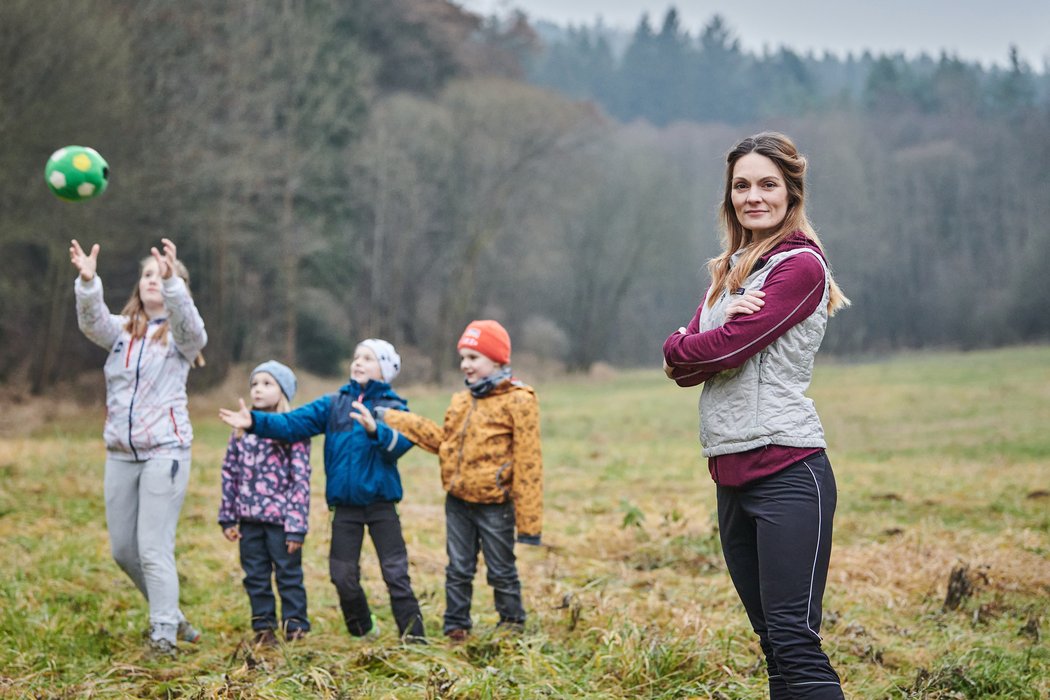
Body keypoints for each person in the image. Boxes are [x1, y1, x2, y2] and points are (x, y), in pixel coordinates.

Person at [661, 132, 849, 699]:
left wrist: (695, 339)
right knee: (771, 641)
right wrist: (693, 342)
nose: (753, 196)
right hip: (730, 476)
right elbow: (680, 365)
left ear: (792, 193)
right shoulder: (731, 269)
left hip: (789, 471)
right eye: (741, 185)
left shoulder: (800, 267)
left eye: (768, 184)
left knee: (794, 639)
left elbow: (714, 351)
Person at [219, 339, 425, 642]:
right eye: (356, 356)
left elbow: (402, 443)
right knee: (342, 577)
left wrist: (374, 429)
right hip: (345, 508)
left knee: (396, 575)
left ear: (384, 369)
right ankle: (362, 629)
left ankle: (414, 637)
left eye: (367, 358)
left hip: (382, 506)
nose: (358, 362)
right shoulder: (333, 404)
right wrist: (255, 422)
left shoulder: (395, 407)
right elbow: (291, 424)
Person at [70, 237, 207, 655]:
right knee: (124, 551)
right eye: (147, 274)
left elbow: (193, 329)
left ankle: (164, 635)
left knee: (152, 548)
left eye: (162, 274)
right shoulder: (121, 333)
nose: (153, 279)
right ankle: (173, 614)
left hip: (165, 451)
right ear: (137, 286)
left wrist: (172, 285)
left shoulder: (180, 339)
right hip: (119, 454)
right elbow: (92, 323)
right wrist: (89, 283)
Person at [383, 320, 543, 642]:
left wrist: (529, 525)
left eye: (473, 357)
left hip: (495, 505)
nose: (465, 365)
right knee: (457, 567)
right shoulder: (461, 400)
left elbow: (529, 462)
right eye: (463, 357)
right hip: (457, 501)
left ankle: (511, 623)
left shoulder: (519, 400)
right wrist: (395, 419)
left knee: (501, 569)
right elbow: (444, 442)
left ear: (497, 360)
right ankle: (456, 624)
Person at [218, 361, 312, 646]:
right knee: (255, 576)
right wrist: (228, 517)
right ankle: (264, 628)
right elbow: (230, 473)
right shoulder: (240, 431)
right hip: (248, 520)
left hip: (281, 522)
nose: (258, 389)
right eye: (255, 384)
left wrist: (296, 527)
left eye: (267, 384)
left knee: (288, 575)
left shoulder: (294, 431)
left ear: (282, 391)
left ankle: (295, 627)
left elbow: (300, 481)